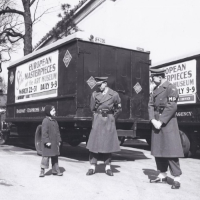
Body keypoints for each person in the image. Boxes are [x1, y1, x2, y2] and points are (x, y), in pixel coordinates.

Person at [148, 68, 184, 189]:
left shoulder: (170, 88)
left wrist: (161, 121)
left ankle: (177, 178)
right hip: (156, 122)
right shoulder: (155, 89)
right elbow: (150, 105)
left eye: (153, 77)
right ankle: (162, 175)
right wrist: (152, 119)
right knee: (159, 149)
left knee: (171, 150)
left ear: (160, 76)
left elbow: (172, 106)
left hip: (168, 122)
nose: (152, 80)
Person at [86, 77, 122, 176]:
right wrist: (96, 116)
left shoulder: (114, 94)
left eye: (100, 84)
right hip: (98, 119)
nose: (98, 87)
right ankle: (92, 166)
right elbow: (92, 108)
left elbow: (119, 109)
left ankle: (108, 167)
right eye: (97, 85)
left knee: (108, 144)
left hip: (109, 120)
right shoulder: (94, 94)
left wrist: (112, 118)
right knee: (94, 144)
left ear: (105, 83)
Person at [39, 105, 63, 177]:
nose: (55, 111)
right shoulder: (45, 121)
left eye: (54, 110)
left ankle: (55, 170)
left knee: (55, 156)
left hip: (54, 142)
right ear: (48, 112)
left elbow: (58, 132)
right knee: (45, 157)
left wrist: (59, 140)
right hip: (48, 143)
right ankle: (42, 171)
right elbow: (44, 132)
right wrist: (46, 141)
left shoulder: (55, 121)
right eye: (53, 110)